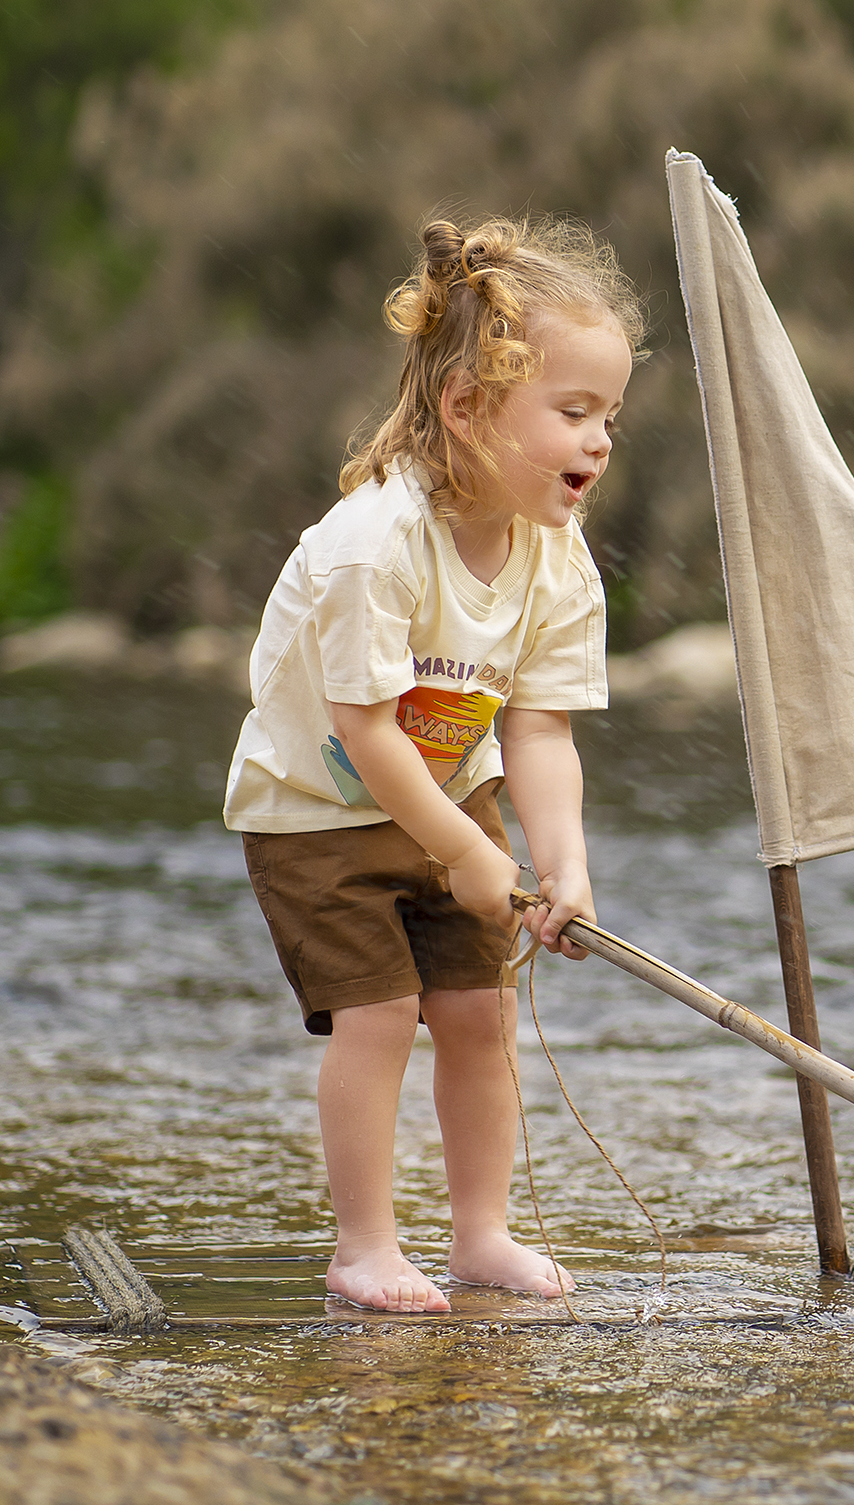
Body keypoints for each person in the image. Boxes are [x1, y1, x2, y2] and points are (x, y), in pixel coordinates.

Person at [225, 215, 642, 1312]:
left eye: (610, 415)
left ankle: (480, 1234)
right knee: (377, 1013)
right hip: (319, 811)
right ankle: (364, 1245)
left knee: (477, 1011)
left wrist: (561, 867)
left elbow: (542, 730)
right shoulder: (377, 544)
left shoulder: (556, 554)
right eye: (572, 411)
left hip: (454, 793)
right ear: (466, 406)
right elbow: (367, 733)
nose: (599, 441)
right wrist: (461, 848)